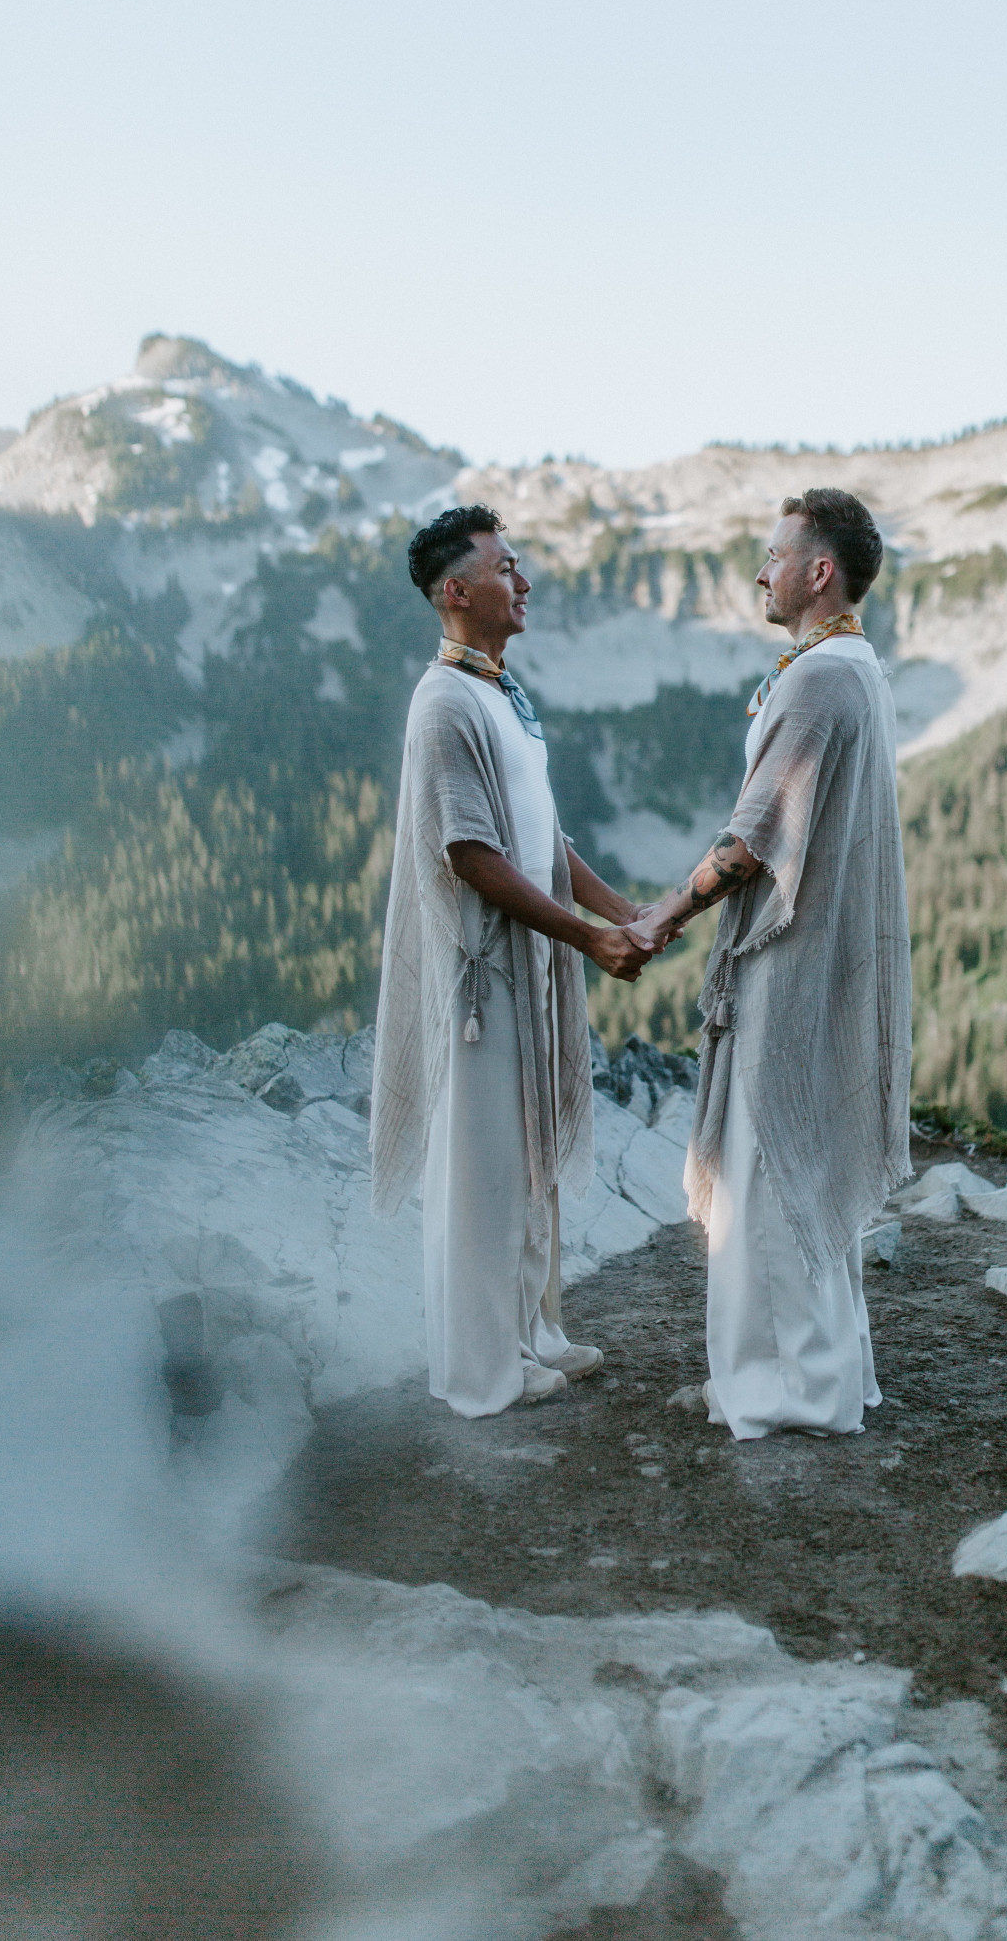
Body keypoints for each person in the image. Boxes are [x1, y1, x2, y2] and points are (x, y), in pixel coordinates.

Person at [633, 489, 913, 1440]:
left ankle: (790, 1391)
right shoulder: (849, 667)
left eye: (773, 554)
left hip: (789, 960)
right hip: (811, 952)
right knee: (788, 1159)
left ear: (818, 571)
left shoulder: (820, 679)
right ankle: (815, 1373)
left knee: (768, 1165)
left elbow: (753, 839)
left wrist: (659, 917)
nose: (761, 571)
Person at [370, 504, 653, 1417]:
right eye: (504, 567)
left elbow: (541, 834)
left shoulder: (496, 692)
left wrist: (618, 908)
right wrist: (588, 938)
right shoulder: (445, 701)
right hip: (480, 977)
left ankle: (534, 1334)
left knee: (526, 1161)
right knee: (484, 1172)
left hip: (524, 968)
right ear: (457, 592)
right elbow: (471, 854)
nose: (521, 581)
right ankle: (479, 1373)